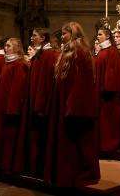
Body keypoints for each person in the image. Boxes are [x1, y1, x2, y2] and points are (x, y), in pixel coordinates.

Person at [44, 22, 100, 187]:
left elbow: (82, 82)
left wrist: (72, 105)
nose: (62, 37)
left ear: (74, 34)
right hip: (64, 101)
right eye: (62, 34)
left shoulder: (81, 51)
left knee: (79, 140)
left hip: (75, 105)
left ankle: (83, 172)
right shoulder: (67, 51)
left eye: (65, 34)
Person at [0, 38, 29, 174]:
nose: (6, 48)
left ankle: (7, 165)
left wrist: (12, 108)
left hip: (10, 109)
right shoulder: (6, 63)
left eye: (9, 46)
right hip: (0, 106)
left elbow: (18, 88)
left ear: (17, 48)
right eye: (5, 45)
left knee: (9, 137)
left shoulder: (19, 64)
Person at [28, 28, 60, 177]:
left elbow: (46, 83)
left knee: (43, 138)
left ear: (43, 38)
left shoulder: (49, 55)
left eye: (34, 36)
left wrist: (40, 104)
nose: (31, 38)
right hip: (36, 102)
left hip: (43, 105)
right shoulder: (40, 54)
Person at [94, 28, 120, 153]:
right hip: (100, 92)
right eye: (98, 34)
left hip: (108, 94)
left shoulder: (111, 51)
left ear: (107, 36)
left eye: (100, 34)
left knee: (109, 121)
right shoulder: (102, 51)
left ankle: (109, 145)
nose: (98, 36)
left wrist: (106, 89)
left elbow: (112, 73)